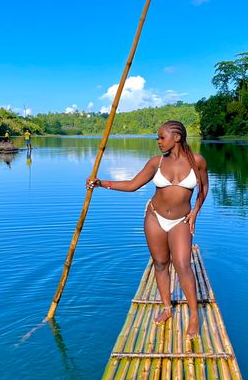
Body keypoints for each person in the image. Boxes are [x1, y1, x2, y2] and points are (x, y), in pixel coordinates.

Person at [86, 120, 209, 338]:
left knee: (182, 265)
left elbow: (204, 188)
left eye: (162, 137)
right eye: (158, 137)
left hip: (181, 220)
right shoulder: (156, 163)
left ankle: (193, 315)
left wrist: (195, 213)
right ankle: (166, 308)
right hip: (155, 217)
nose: (158, 141)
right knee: (161, 263)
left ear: (177, 137)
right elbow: (133, 185)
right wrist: (101, 183)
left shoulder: (197, 162)